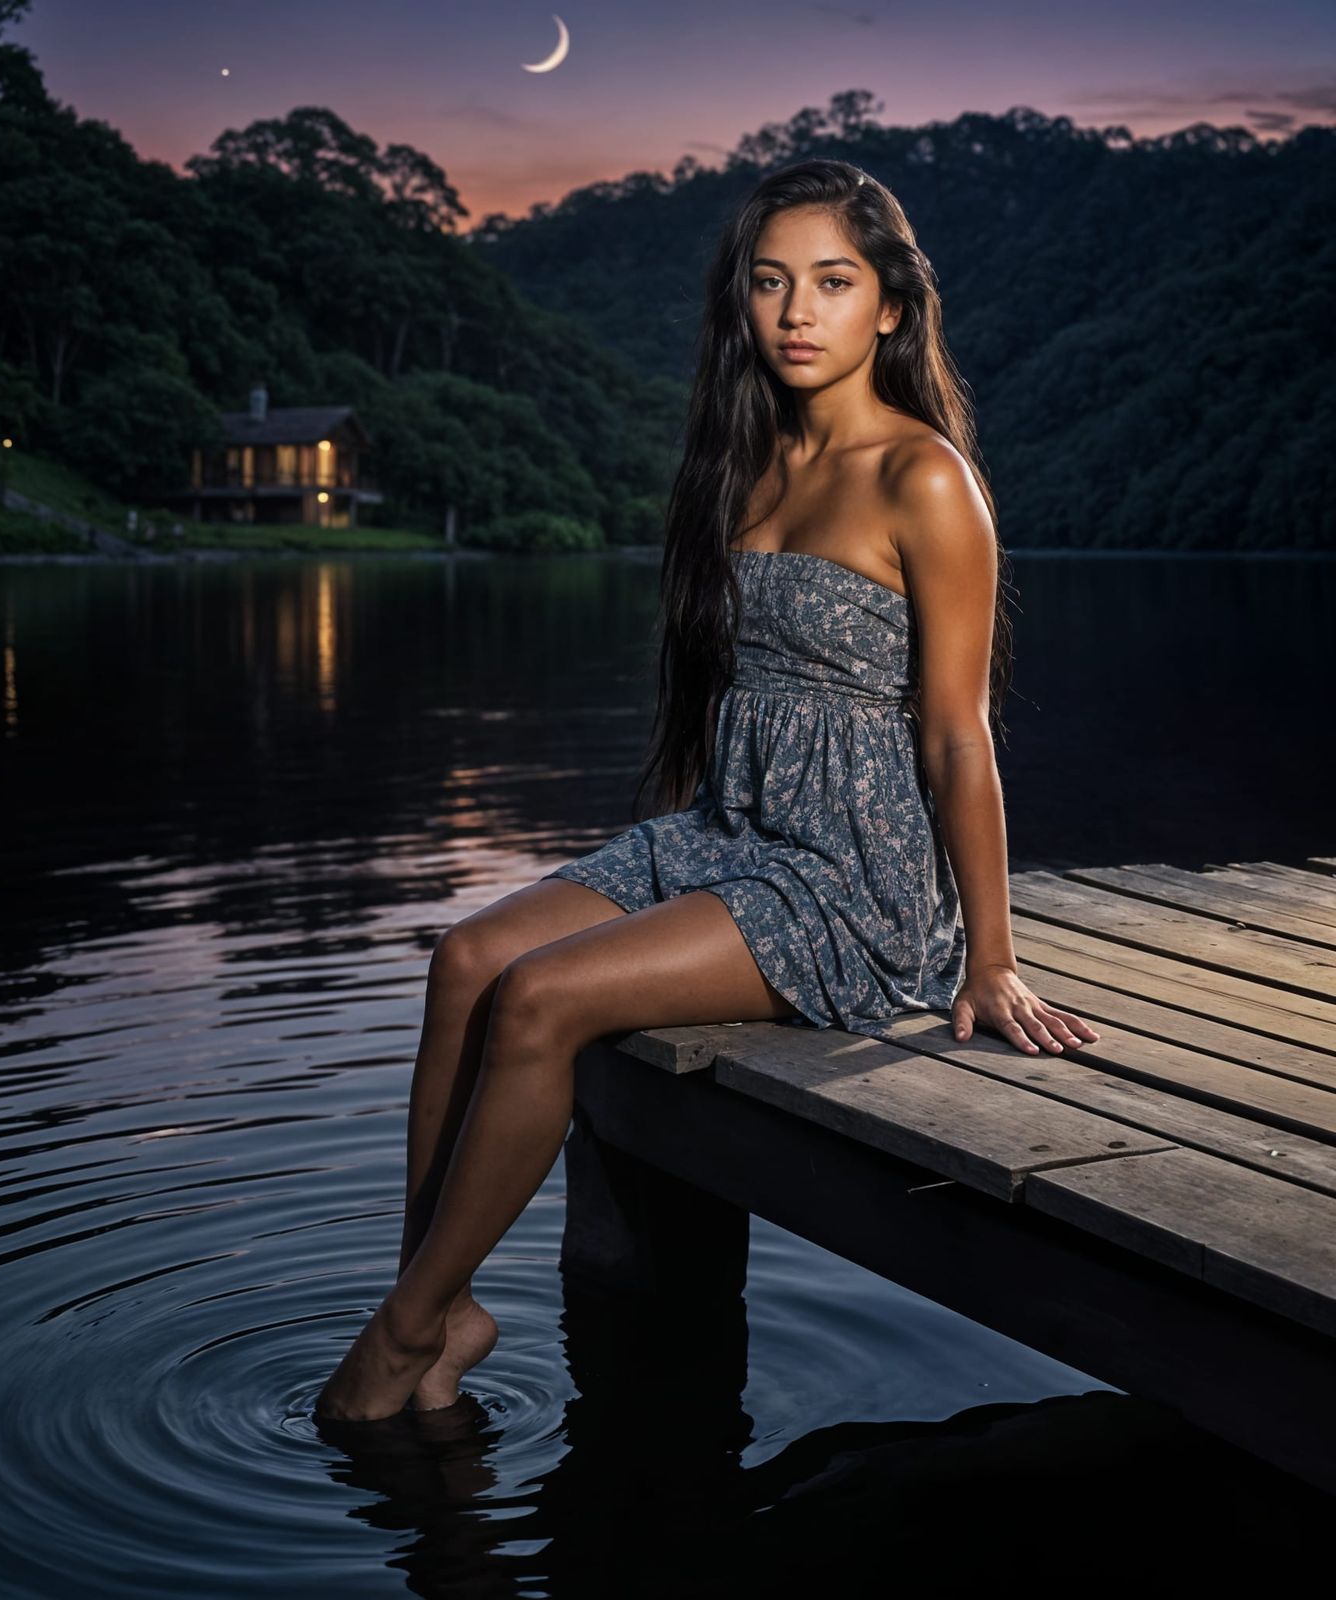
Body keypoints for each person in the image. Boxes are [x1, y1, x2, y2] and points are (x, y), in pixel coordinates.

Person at [315, 158, 1100, 1424]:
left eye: (833, 283)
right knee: (464, 958)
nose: (798, 310)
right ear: (741, 301)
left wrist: (990, 957)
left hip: (856, 879)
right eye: (771, 281)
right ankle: (437, 1293)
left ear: (888, 308)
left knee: (539, 997)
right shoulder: (744, 463)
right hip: (732, 832)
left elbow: (957, 735)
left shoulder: (924, 478)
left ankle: (400, 1340)